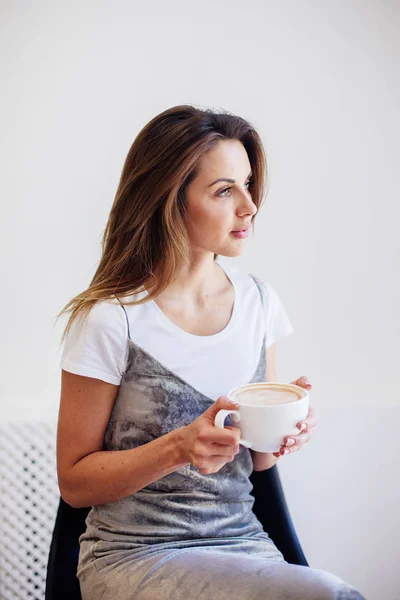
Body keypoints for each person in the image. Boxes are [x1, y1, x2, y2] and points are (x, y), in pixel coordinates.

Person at [56, 105, 366, 599]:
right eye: (224, 190)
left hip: (243, 543)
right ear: (169, 200)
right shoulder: (112, 318)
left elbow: (258, 463)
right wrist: (179, 447)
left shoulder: (260, 303)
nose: (249, 206)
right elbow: (74, 482)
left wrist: (285, 432)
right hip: (136, 555)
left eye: (247, 184)